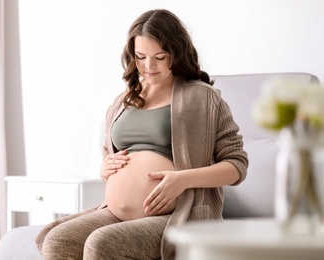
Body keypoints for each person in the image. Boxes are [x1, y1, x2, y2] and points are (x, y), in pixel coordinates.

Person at [35, 8, 248, 259]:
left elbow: (237, 165)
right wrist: (106, 169)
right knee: (59, 240)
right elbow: (109, 157)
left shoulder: (203, 98)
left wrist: (182, 180)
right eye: (140, 56)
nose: (149, 66)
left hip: (176, 214)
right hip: (115, 211)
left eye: (159, 56)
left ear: (176, 54)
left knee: (102, 243)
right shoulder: (123, 101)